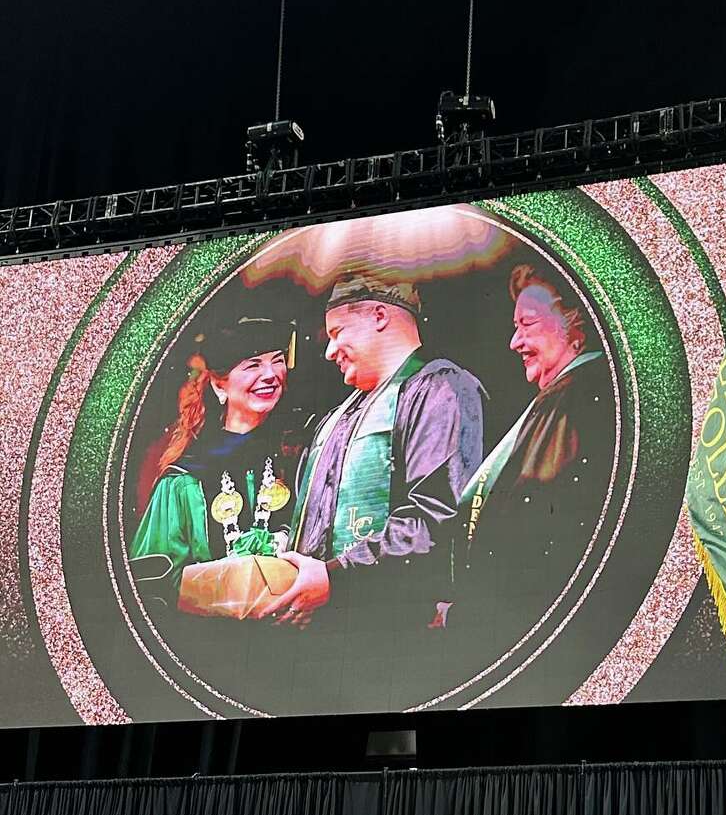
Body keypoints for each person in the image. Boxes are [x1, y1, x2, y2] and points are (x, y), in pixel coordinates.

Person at [266, 272, 485, 648]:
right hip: (317, 639)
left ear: (379, 317)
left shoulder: (439, 388)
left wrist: (335, 577)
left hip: (389, 640)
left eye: (337, 333)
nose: (329, 351)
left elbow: (435, 521)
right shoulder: (337, 417)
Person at [455, 263, 615, 660]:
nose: (514, 342)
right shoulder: (559, 399)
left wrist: (470, 614)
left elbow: (541, 535)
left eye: (527, 324)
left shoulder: (581, 396)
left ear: (574, 321)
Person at [129, 315, 295, 594]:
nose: (270, 374)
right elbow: (153, 583)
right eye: (253, 365)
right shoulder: (186, 477)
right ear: (220, 385)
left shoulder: (303, 452)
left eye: (277, 360)